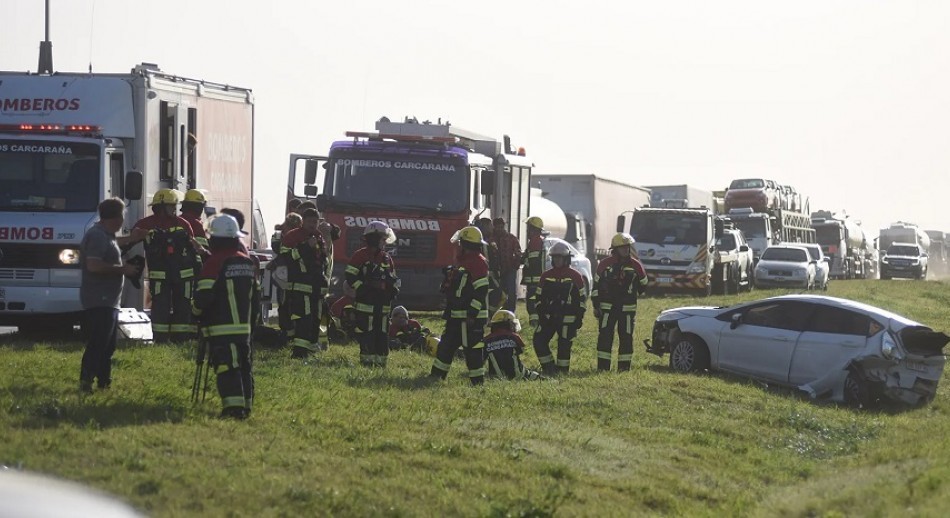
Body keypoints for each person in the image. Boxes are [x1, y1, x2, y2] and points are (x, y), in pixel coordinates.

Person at [192, 214, 259, 419]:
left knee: (226, 367)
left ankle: (232, 410)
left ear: (215, 239)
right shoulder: (247, 263)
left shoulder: (214, 263)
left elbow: (203, 298)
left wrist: (194, 314)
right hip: (244, 330)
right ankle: (246, 406)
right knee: (244, 367)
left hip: (221, 328)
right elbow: (255, 299)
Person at [79, 198, 147, 392]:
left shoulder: (106, 235)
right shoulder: (98, 236)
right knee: (98, 343)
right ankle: (86, 381)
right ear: (117, 217)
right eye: (122, 217)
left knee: (108, 345)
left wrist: (133, 238)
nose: (122, 222)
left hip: (109, 300)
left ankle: (104, 383)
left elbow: (113, 243)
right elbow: (93, 265)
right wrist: (123, 269)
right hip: (99, 299)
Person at [131, 188, 197, 342]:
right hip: (163, 275)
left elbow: (193, 247)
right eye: (171, 206)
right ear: (161, 207)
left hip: (180, 274)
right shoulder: (147, 224)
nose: (174, 209)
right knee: (162, 307)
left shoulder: (181, 223)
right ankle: (162, 339)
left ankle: (178, 339)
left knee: (182, 306)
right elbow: (132, 240)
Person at [429, 226, 489, 385]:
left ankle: (477, 382)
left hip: (471, 318)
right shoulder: (463, 261)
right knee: (446, 346)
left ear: (467, 245)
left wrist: (471, 314)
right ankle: (436, 376)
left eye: (461, 243)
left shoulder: (478, 262)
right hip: (456, 316)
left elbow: (481, 291)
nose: (459, 246)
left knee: (473, 351)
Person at [279, 208, 333, 357]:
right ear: (303, 221)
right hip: (300, 286)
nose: (312, 224)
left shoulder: (318, 236)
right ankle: (299, 353)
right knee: (305, 319)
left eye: (315, 222)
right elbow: (286, 258)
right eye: (310, 221)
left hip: (316, 288)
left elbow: (323, 260)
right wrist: (305, 247)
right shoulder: (293, 236)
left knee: (316, 319)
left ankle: (310, 350)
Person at [591, 233, 648, 372]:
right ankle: (603, 368)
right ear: (615, 249)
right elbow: (596, 287)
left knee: (626, 338)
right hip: (607, 308)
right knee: (605, 337)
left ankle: (624, 369)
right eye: (622, 247)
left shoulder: (636, 265)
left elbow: (644, 285)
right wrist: (596, 306)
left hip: (627, 310)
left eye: (627, 247)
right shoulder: (604, 264)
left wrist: (631, 291)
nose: (625, 250)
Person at [346, 221, 399, 367]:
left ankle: (381, 364)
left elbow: (393, 278)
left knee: (382, 335)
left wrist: (392, 289)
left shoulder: (387, 258)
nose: (385, 242)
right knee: (367, 335)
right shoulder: (360, 255)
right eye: (383, 239)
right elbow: (350, 276)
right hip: (366, 305)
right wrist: (363, 288)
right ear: (374, 238)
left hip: (383, 306)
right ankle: (367, 364)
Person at [531, 241, 587, 375]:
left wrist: (579, 317)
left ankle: (562, 371)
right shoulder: (546, 276)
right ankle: (549, 367)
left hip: (567, 319)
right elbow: (538, 298)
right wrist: (541, 313)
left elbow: (582, 299)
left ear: (566, 258)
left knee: (564, 346)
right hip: (548, 318)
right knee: (538, 341)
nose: (557, 260)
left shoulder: (575, 276)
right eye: (555, 257)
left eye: (560, 257)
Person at [483, 309, 541, 381]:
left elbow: (483, 358)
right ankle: (541, 378)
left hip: (496, 377)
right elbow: (520, 351)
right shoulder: (514, 337)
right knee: (532, 374)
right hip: (517, 375)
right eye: (512, 323)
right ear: (507, 324)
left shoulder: (486, 340)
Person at [521, 216, 547, 327]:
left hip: (534, 279)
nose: (527, 231)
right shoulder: (537, 241)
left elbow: (532, 262)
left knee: (532, 303)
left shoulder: (535, 242)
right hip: (536, 279)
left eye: (528, 228)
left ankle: (535, 324)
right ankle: (536, 324)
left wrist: (521, 258)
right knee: (534, 302)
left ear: (534, 229)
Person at [492, 217, 522, 312]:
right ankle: (498, 311)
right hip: (496, 271)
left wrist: (515, 265)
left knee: (511, 292)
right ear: (494, 227)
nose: (500, 229)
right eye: (497, 227)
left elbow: (518, 252)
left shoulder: (511, 238)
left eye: (501, 227)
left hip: (510, 269)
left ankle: (511, 312)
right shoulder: (491, 238)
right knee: (498, 292)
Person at [475, 217, 504, 313]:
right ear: (485, 227)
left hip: (490, 275)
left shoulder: (488, 241)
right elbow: (490, 260)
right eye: (490, 226)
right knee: (499, 295)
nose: (492, 228)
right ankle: (490, 315)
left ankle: (490, 314)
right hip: (489, 275)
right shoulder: (483, 243)